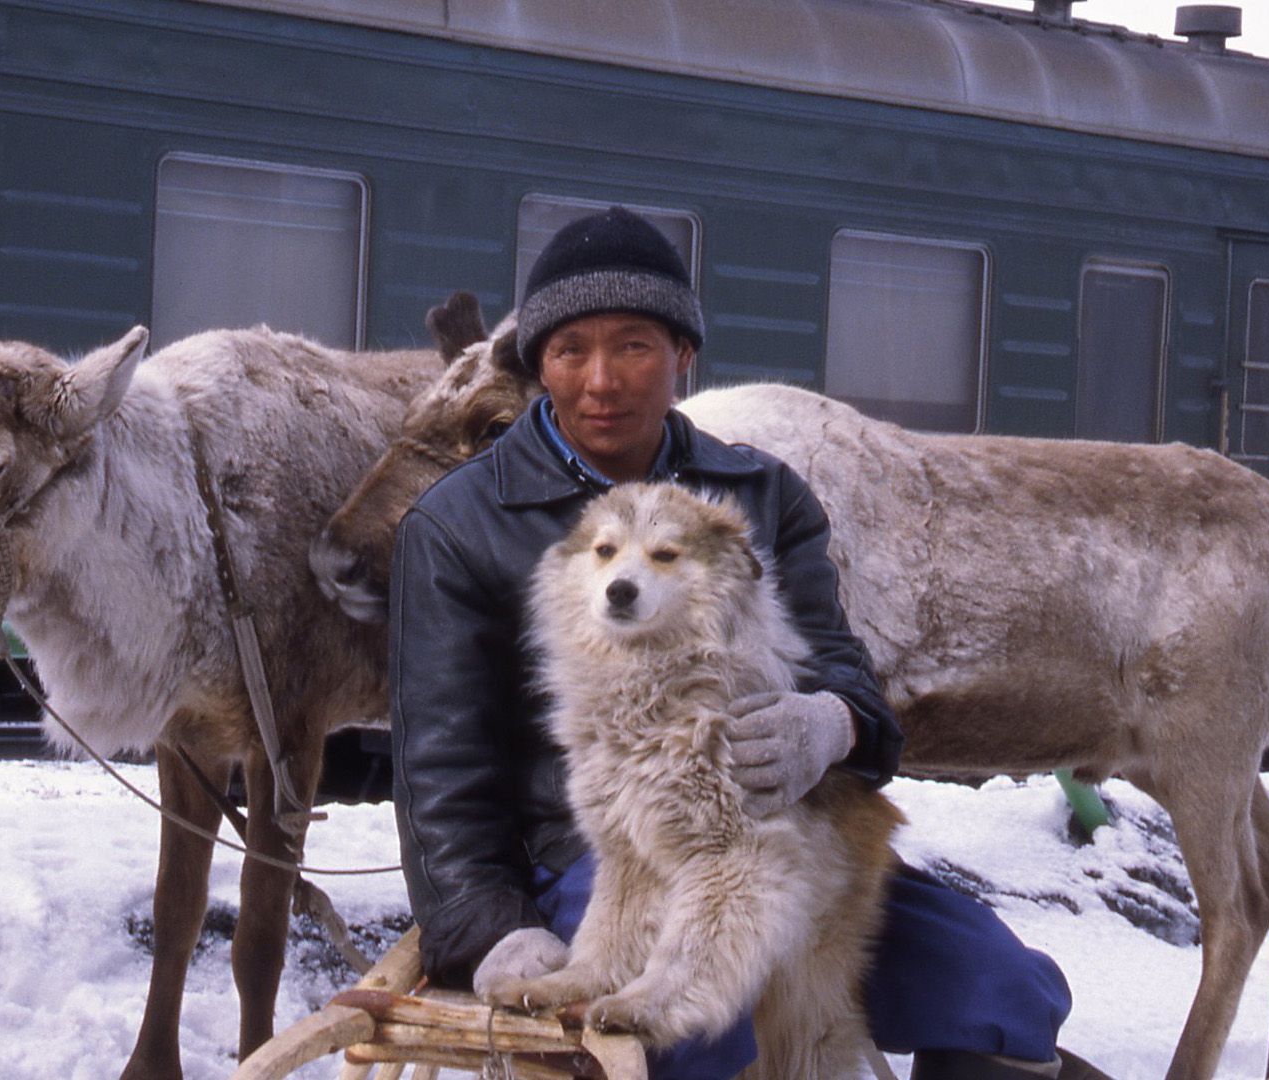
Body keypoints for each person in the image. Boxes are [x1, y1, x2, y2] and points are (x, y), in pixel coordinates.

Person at [388, 206, 1075, 1080]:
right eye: (570, 351)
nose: (601, 380)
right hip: (590, 862)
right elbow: (443, 776)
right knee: (699, 1035)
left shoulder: (759, 494)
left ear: (682, 355)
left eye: (633, 345)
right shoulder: (457, 527)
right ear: (540, 370)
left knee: (999, 988)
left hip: (785, 844)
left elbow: (844, 674)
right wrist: (491, 928)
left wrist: (831, 723)